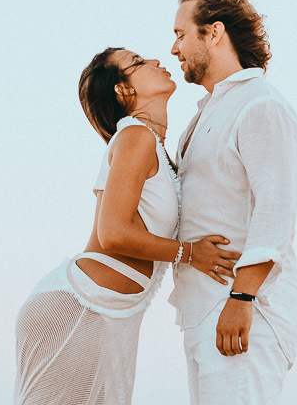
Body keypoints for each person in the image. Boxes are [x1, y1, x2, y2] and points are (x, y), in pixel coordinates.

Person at [13, 47, 241, 405]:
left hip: (112, 314)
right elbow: (114, 233)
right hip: (80, 308)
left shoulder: (156, 147)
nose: (156, 62)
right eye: (139, 63)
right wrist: (191, 254)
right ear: (123, 90)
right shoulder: (136, 137)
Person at [168, 0, 297, 404]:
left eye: (180, 34)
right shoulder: (207, 114)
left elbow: (275, 210)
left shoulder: (260, 105)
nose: (174, 49)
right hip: (203, 311)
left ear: (213, 32)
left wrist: (241, 297)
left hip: (245, 313)